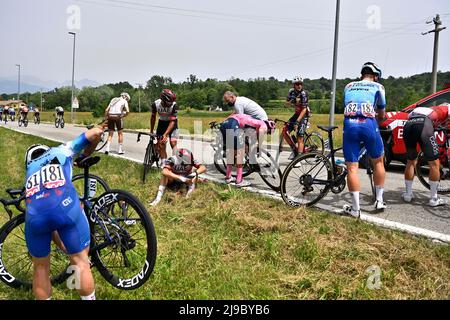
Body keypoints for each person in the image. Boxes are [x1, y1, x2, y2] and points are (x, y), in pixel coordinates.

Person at [24, 126, 104, 300]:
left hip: (35, 217)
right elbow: (96, 133)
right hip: (66, 209)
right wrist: (84, 154)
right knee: (80, 262)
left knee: (40, 268)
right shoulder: (63, 149)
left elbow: (46, 212)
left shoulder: (29, 170)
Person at [342, 62, 387, 218]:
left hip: (349, 124)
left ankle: (355, 209)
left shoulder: (348, 86)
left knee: (352, 168)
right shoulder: (378, 87)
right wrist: (378, 122)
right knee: (378, 162)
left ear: (362, 74)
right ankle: (379, 200)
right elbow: (381, 114)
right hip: (368, 124)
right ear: (375, 76)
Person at [402, 103, 450, 207]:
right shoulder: (447, 108)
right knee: (434, 163)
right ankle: (433, 199)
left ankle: (408, 195)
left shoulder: (427, 110)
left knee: (410, 161)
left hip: (408, 125)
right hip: (424, 125)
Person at [220, 113, 276, 188]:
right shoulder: (263, 125)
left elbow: (247, 135)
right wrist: (259, 147)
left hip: (224, 124)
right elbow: (260, 136)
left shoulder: (254, 121)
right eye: (268, 132)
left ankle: (228, 177)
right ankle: (239, 181)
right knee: (240, 154)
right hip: (233, 125)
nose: (267, 133)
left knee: (232, 152)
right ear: (269, 128)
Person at [284, 76, 311, 160]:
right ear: (294, 85)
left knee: (299, 136)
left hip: (304, 115)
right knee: (285, 131)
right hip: (296, 114)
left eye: (301, 84)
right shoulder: (291, 92)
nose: (299, 86)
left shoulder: (304, 94)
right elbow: (286, 105)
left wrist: (297, 122)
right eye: (297, 84)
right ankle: (295, 150)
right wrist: (292, 101)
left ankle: (298, 158)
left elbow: (304, 110)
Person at [150, 89, 179, 164]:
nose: (171, 103)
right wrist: (151, 130)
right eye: (169, 102)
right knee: (161, 143)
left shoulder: (174, 105)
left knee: (173, 143)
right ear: (163, 100)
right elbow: (153, 117)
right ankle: (164, 163)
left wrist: (165, 134)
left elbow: (172, 121)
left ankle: (177, 162)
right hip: (162, 123)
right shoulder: (155, 104)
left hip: (172, 124)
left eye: (172, 102)